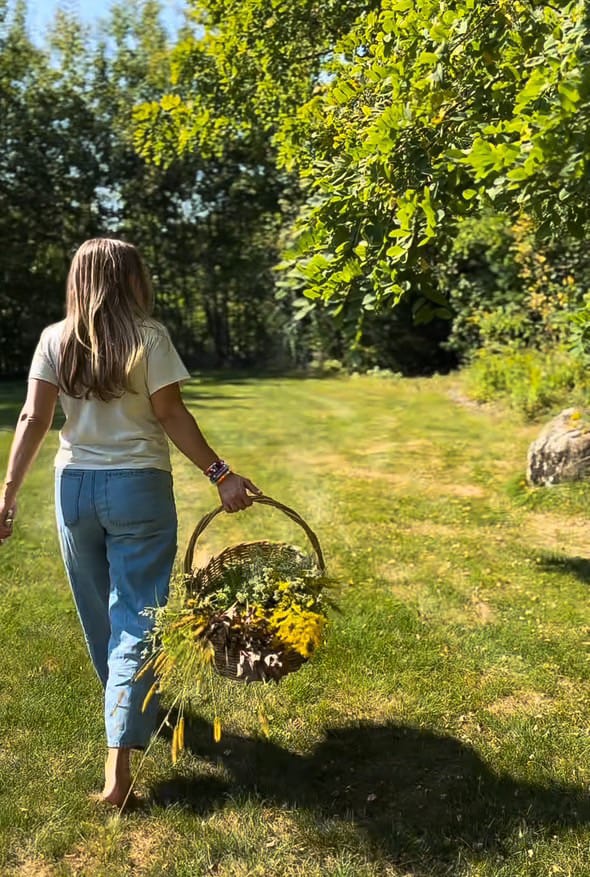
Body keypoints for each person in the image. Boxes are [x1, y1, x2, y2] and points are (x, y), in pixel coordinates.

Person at [0, 237, 261, 807]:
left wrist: (8, 492)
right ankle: (119, 769)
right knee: (137, 619)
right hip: (138, 488)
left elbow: (33, 417)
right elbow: (171, 413)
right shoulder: (150, 337)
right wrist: (220, 474)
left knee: (104, 615)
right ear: (129, 280)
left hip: (75, 490)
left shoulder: (55, 338)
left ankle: (128, 704)